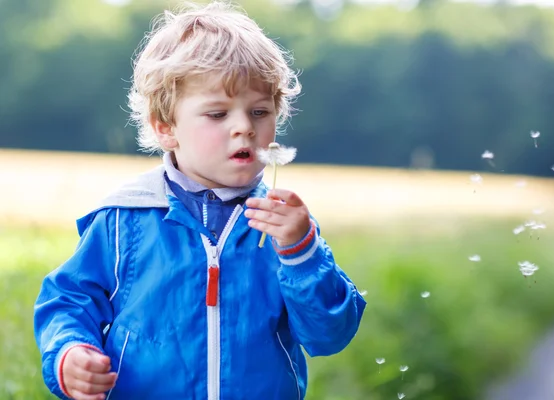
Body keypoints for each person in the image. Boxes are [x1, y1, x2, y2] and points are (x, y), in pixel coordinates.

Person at [33, 1, 367, 399]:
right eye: (217, 114)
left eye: (259, 111)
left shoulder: (283, 228)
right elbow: (67, 300)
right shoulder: (124, 220)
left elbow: (329, 334)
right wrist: (68, 354)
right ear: (166, 127)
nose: (244, 127)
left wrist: (302, 253)